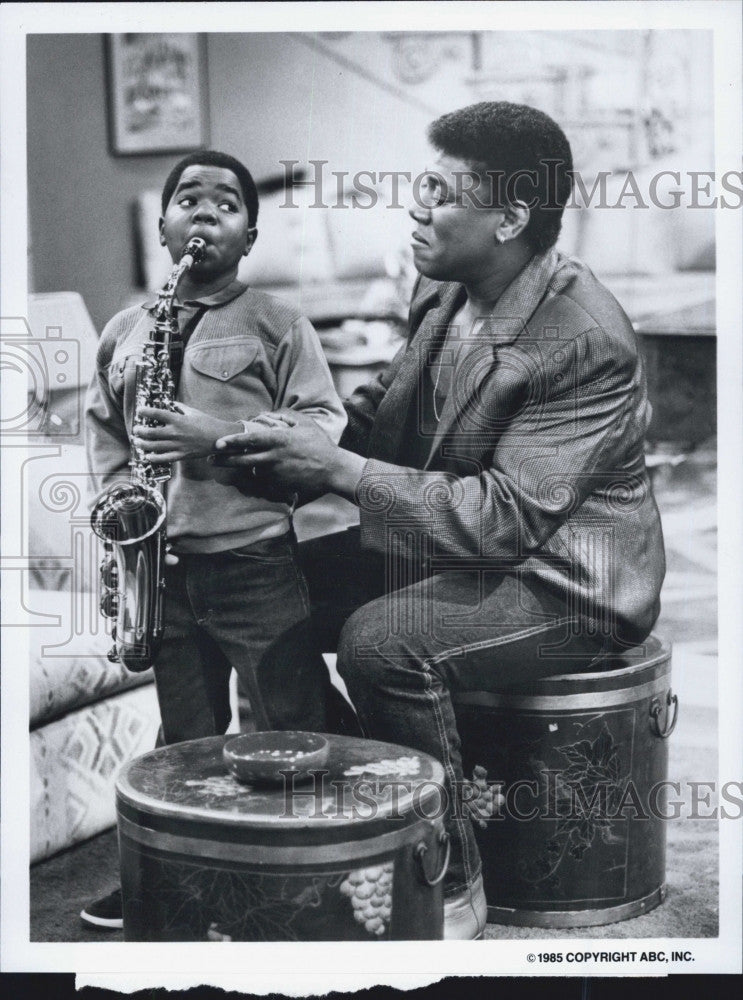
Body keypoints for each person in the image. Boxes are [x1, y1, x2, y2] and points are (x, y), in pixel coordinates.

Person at [212, 103, 667, 939]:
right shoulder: (441, 282)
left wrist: (340, 474)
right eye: (417, 182)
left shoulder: (580, 336)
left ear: (509, 220)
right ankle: (350, 802)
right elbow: (390, 410)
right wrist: (287, 442)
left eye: (439, 192)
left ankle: (446, 878)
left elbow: (507, 519)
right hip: (458, 541)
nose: (414, 207)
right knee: (252, 587)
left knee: (383, 642)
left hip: (564, 579)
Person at [82, 150, 347, 929]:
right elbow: (105, 430)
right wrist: (115, 514)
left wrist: (220, 436)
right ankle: (177, 878)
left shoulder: (277, 323)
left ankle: (307, 877)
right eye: (186, 201)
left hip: (252, 561)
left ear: (250, 234)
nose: (204, 212)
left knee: (286, 717)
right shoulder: (124, 329)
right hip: (160, 566)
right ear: (162, 230)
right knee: (182, 737)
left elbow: (321, 426)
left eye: (225, 203)